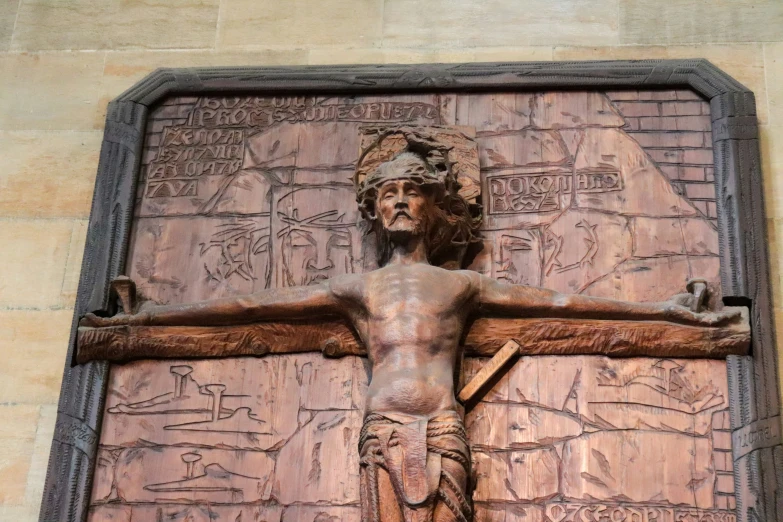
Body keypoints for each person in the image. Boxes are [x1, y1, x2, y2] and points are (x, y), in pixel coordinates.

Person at [83, 150, 735, 522]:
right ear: (372, 209)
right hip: (384, 429)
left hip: (443, 427)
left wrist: (664, 309)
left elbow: (567, 301)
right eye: (386, 193)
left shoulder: (460, 288)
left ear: (433, 207)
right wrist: (151, 317)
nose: (397, 201)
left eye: (409, 192)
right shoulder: (357, 290)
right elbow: (248, 305)